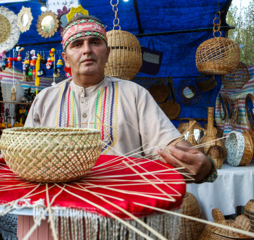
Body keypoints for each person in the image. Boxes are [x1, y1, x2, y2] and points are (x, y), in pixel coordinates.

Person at [25, 15, 217, 183]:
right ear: (65, 58)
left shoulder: (134, 94)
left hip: (121, 214)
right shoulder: (45, 100)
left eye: (95, 42)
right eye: (77, 44)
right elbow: (25, 154)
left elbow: (167, 143)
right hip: (57, 212)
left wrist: (200, 162)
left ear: (107, 53)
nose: (87, 50)